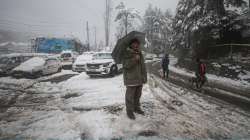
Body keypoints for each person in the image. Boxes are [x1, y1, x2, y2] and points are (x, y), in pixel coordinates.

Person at [122, 38, 147, 120]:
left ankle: (136, 108)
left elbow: (143, 67)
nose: (136, 45)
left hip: (139, 79)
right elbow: (126, 65)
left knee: (137, 96)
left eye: (137, 43)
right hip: (131, 79)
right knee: (130, 97)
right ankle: (129, 111)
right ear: (131, 44)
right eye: (134, 43)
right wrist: (134, 59)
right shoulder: (126, 53)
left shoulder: (140, 53)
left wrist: (144, 77)